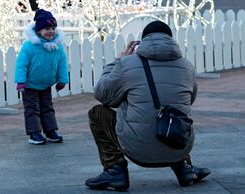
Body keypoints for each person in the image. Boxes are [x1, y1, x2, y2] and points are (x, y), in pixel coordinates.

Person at [85, 21, 210, 191]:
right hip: (178, 146)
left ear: (143, 42)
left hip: (137, 148)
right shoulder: (187, 66)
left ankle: (115, 170)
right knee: (175, 114)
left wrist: (117, 61)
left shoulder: (126, 64)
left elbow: (102, 95)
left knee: (97, 113)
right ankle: (184, 167)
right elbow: (191, 99)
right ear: (170, 41)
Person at [15, 9, 69, 145]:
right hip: (29, 85)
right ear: (38, 30)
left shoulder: (57, 47)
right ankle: (34, 133)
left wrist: (62, 79)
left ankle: (51, 131)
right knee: (32, 110)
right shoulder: (29, 46)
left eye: (53, 28)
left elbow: (62, 63)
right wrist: (20, 81)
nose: (51, 31)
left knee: (47, 108)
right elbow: (21, 64)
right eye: (46, 28)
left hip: (45, 84)